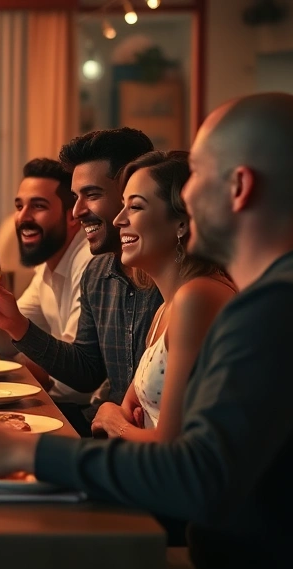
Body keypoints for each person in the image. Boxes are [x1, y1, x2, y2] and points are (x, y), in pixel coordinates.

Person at [0, 93, 293, 569]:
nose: (185, 193)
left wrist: (25, 449)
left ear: (239, 186)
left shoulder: (278, 307)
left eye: (198, 173)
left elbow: (192, 474)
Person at [0, 128, 160, 434]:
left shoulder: (174, 282)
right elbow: (86, 371)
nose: (77, 212)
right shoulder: (98, 272)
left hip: (127, 447)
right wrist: (13, 323)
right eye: (76, 197)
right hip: (105, 434)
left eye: (93, 195)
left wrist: (115, 422)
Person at [90, 151, 236, 442]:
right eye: (122, 206)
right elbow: (130, 407)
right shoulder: (166, 308)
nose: (119, 220)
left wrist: (112, 421)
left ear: (181, 223)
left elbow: (170, 446)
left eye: (135, 207)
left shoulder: (198, 297)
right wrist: (121, 420)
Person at [0, 158, 94, 420]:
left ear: (72, 216)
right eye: (19, 206)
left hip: (80, 415)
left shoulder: (89, 265)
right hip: (52, 403)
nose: (23, 217)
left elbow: (77, 377)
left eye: (38, 206)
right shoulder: (47, 269)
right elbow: (7, 346)